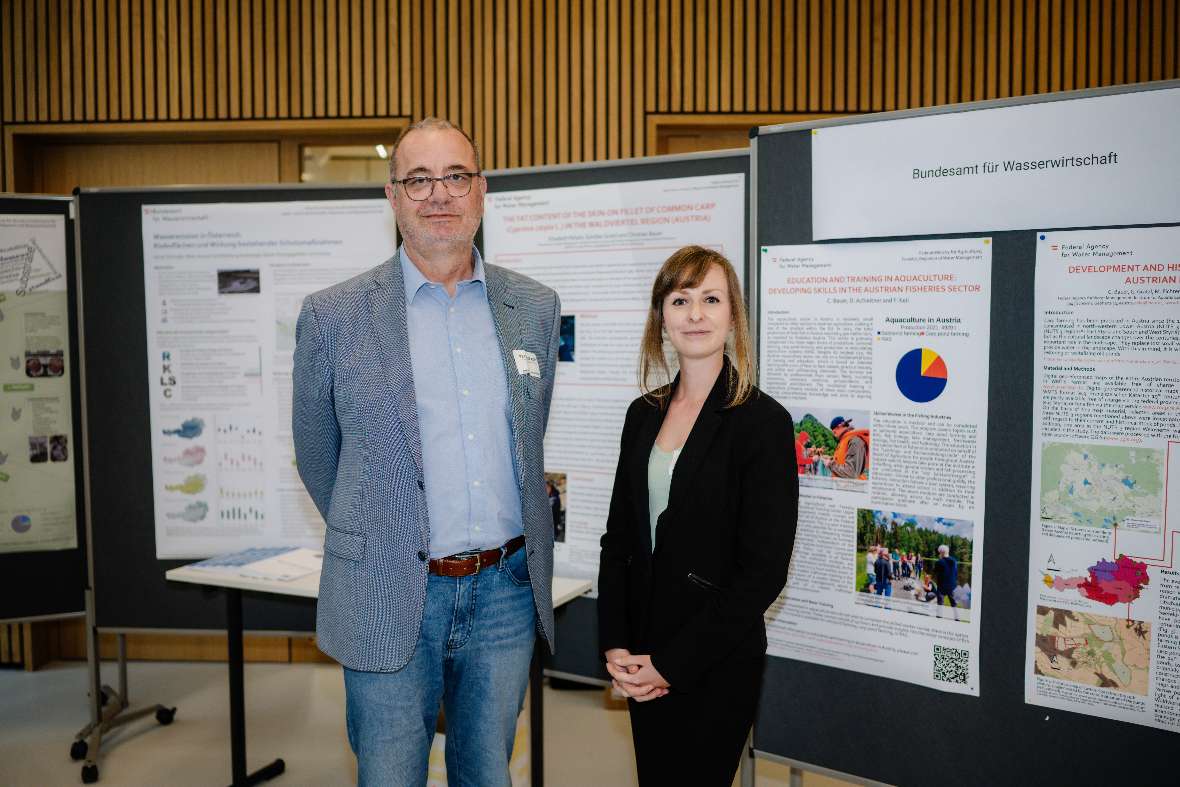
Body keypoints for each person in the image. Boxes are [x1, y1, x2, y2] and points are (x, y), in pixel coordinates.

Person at [292, 118, 561, 786]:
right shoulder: (334, 315)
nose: (438, 195)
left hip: (505, 592)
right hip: (386, 588)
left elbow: (528, 438)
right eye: (419, 179)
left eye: (455, 177)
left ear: (481, 190)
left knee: (487, 771)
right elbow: (316, 453)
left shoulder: (534, 307)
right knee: (388, 774)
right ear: (393, 196)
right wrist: (386, 531)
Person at [596, 246, 798, 786]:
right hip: (642, 652)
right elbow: (619, 541)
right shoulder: (643, 415)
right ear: (661, 315)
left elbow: (763, 572)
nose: (695, 314)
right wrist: (617, 647)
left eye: (711, 299)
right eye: (680, 299)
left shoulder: (763, 423)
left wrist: (671, 665)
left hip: (715, 659)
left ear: (733, 316)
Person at [934, 544, 959, 612]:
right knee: (953, 604)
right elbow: (956, 573)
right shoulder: (954, 561)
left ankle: (939, 619)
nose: (939, 554)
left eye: (939, 552)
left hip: (942, 587)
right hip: (952, 586)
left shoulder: (939, 562)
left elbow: (935, 572)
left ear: (941, 553)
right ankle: (957, 618)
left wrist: (940, 559)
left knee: (940, 604)